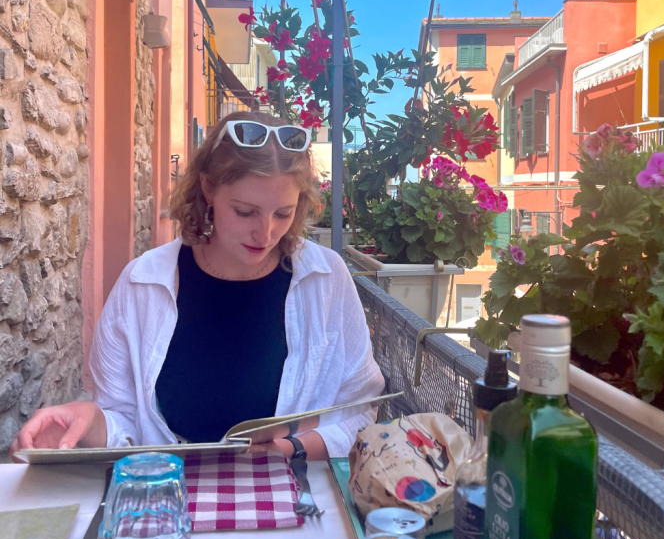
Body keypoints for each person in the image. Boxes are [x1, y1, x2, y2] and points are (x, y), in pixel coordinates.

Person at [11, 112, 385, 460]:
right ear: (208, 188)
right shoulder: (143, 285)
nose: (266, 232)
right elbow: (123, 421)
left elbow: (358, 413)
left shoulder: (325, 280)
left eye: (283, 213)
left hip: (291, 510)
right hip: (164, 504)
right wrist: (87, 420)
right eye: (245, 211)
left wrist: (291, 449)